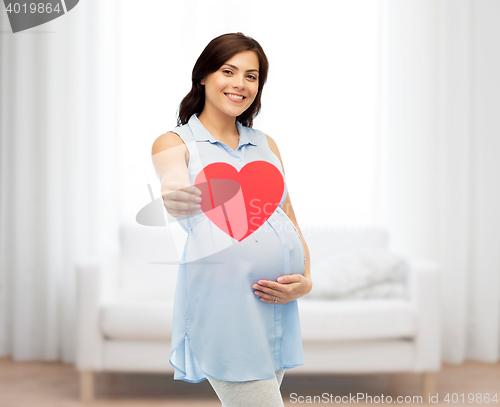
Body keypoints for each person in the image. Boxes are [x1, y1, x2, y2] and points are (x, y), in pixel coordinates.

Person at [151, 32, 312, 407]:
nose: (240, 83)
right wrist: (175, 194)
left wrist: (306, 281)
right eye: (229, 71)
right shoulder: (175, 142)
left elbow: (287, 217)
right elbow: (171, 177)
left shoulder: (266, 144)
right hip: (226, 310)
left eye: (252, 76)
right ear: (204, 76)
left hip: (275, 307)